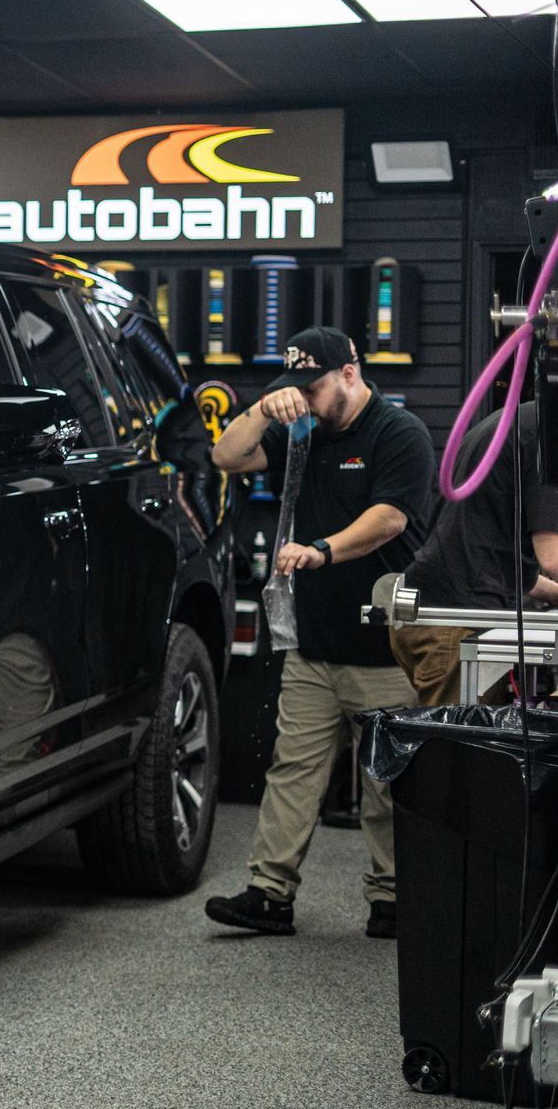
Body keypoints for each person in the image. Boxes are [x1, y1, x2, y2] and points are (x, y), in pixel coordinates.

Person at [202, 327, 434, 940]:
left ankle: (393, 900)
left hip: (385, 648)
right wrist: (262, 407)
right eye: (296, 389)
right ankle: (269, 895)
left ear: (350, 374)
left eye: (313, 386)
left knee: (386, 784)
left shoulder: (399, 432)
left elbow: (390, 518)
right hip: (313, 644)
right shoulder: (301, 435)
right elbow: (226, 456)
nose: (303, 398)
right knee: (293, 771)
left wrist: (322, 550)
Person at [392, 403, 558, 705]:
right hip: (453, 625)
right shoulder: (549, 439)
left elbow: (483, 542)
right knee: (463, 735)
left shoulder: (519, 421)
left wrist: (553, 592)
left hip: (436, 610)